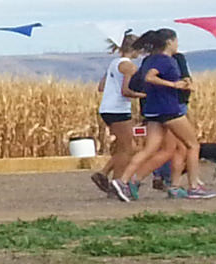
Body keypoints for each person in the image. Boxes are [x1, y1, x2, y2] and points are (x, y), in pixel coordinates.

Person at [132, 30, 207, 198]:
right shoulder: (169, 60)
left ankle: (164, 183)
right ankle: (190, 186)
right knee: (186, 146)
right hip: (171, 108)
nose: (177, 44)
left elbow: (137, 83)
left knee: (170, 148)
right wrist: (175, 85)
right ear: (169, 42)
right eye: (176, 40)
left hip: (154, 109)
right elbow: (150, 79)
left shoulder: (149, 60)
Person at [89, 39, 137, 197]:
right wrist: (144, 94)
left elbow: (101, 87)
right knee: (127, 149)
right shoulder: (129, 66)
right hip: (119, 109)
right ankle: (117, 183)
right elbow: (126, 91)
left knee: (126, 147)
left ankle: (104, 173)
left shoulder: (114, 63)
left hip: (107, 108)